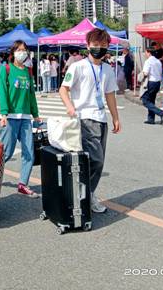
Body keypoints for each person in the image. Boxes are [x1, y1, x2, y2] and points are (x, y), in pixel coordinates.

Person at [59, 28, 121, 214]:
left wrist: (115, 117)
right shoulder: (78, 67)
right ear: (87, 46)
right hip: (85, 119)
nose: (99, 48)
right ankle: (86, 194)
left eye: (103, 45)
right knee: (97, 160)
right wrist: (70, 107)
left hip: (101, 119)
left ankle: (86, 194)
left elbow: (110, 94)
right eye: (95, 44)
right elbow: (63, 89)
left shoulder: (107, 69)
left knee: (95, 161)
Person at [0, 40, 41, 198]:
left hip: (25, 118)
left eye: (24, 50)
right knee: (6, 153)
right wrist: (3, 114)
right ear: (13, 52)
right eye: (19, 50)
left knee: (29, 152)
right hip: (9, 117)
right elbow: (2, 91)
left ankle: (23, 184)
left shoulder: (28, 71)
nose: (22, 52)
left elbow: (31, 94)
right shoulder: (6, 69)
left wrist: (35, 114)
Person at [139, 48, 163, 125]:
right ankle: (151, 119)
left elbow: (145, 73)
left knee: (145, 100)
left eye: (145, 52)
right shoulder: (158, 61)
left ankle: (161, 113)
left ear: (149, 52)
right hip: (157, 82)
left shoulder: (148, 61)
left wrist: (140, 76)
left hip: (150, 82)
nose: (145, 54)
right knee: (151, 100)